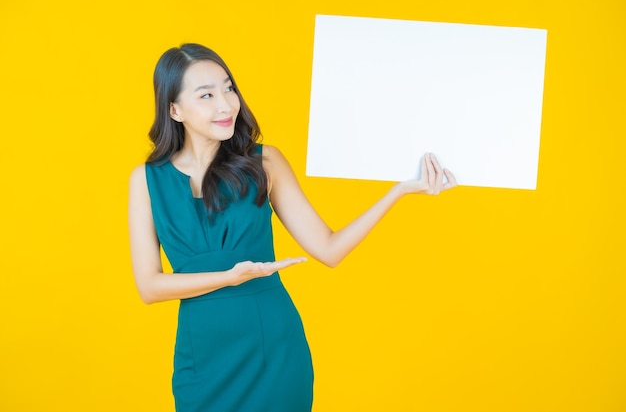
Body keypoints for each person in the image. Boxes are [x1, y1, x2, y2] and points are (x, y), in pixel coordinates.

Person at [128, 43, 457, 412]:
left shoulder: (264, 163)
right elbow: (149, 287)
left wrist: (398, 192)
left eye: (229, 88)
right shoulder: (146, 180)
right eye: (207, 95)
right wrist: (231, 276)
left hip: (274, 351)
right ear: (174, 109)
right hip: (201, 359)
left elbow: (329, 250)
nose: (226, 104)